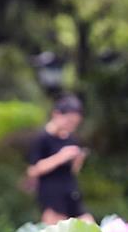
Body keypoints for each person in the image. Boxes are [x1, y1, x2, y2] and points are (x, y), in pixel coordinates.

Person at [26, 95, 93, 225]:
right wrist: (60, 157)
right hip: (52, 196)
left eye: (74, 123)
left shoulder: (71, 139)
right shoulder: (42, 138)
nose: (71, 126)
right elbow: (33, 170)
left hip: (71, 192)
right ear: (56, 114)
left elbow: (72, 172)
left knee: (90, 227)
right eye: (69, 122)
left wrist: (78, 160)